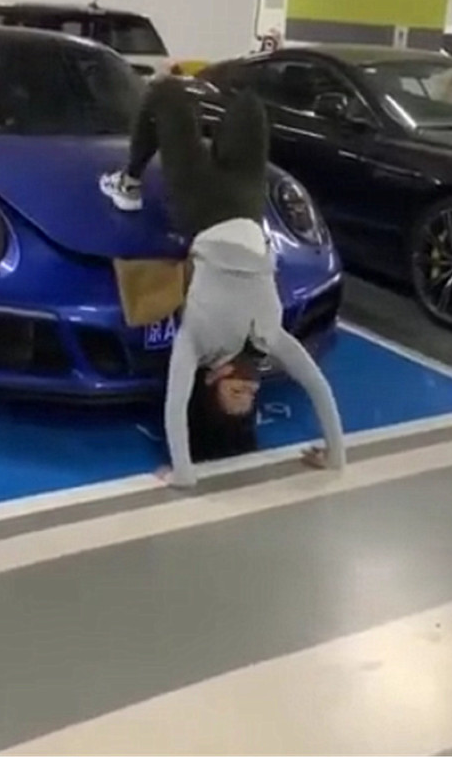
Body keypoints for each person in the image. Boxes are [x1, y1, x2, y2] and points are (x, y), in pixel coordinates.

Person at [100, 77, 345, 487]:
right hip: (247, 207)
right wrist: (335, 455)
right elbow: (316, 384)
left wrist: (183, 473)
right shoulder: (269, 336)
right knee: (249, 103)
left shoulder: (196, 343)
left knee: (167, 93)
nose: (248, 386)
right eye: (250, 395)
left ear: (213, 382)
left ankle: (129, 180)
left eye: (236, 393)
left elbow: (176, 403)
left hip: (200, 208)